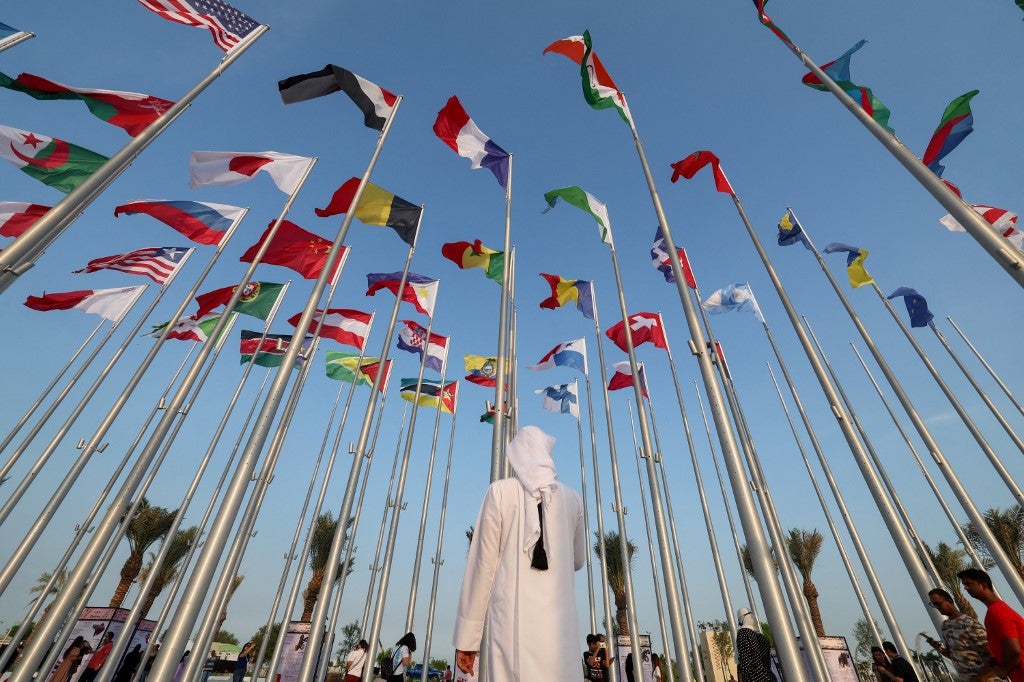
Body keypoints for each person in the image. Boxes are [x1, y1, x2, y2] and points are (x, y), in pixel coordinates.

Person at [452, 426, 585, 680]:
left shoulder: (499, 492)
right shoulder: (572, 498)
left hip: (511, 624)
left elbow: (482, 567)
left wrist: (467, 639)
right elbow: (578, 560)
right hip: (560, 629)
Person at [960, 567, 1024, 681]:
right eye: (964, 585)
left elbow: (1015, 650)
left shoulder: (997, 611)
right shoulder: (995, 610)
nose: (966, 588)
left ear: (983, 585)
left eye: (968, 584)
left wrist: (1004, 669)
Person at [923, 586, 990, 679]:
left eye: (938, 603)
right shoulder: (945, 626)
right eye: (934, 604)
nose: (937, 607)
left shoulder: (969, 623)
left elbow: (992, 655)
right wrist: (939, 649)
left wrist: (981, 678)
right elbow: (954, 655)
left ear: (949, 601)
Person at [735, 608, 773, 682]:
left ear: (742, 619)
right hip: (767, 676)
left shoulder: (743, 633)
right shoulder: (761, 637)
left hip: (753, 677)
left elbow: (745, 661)